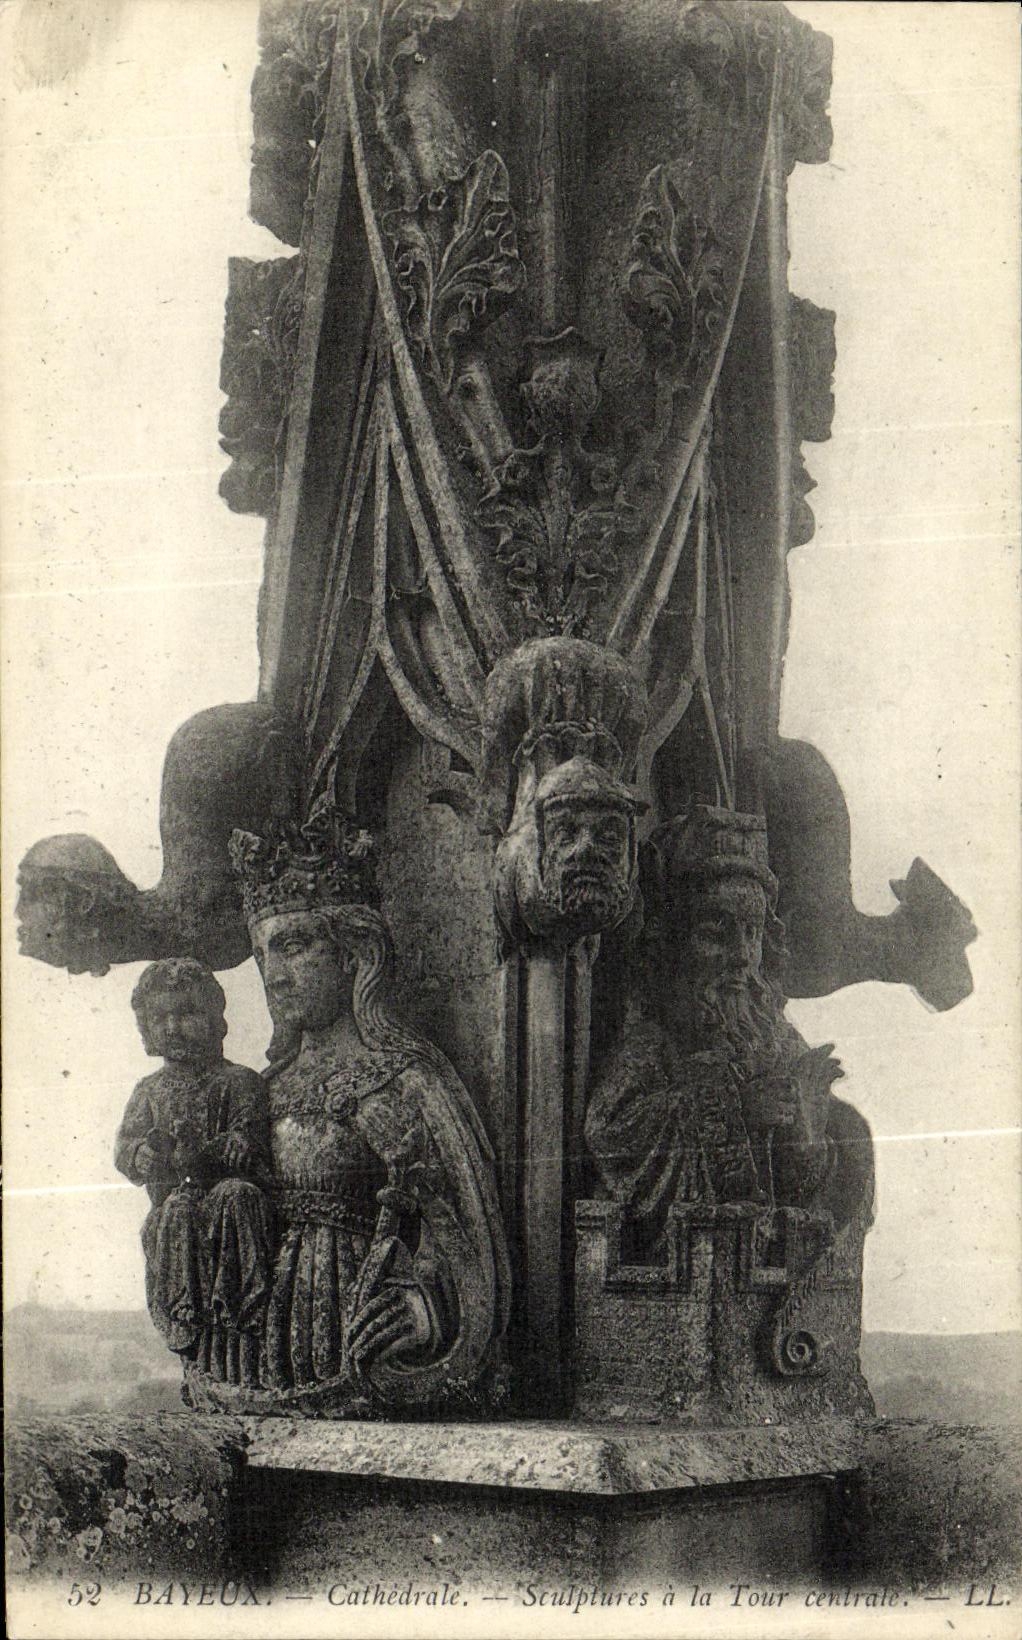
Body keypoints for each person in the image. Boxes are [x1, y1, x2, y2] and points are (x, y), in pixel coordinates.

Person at [229, 806, 511, 1412]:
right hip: (264, 1352)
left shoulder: (406, 1079)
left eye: (294, 946)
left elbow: (463, 1231)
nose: (274, 975)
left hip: (365, 1344)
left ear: (354, 954)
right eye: (262, 955)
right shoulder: (262, 1088)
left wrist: (423, 1308)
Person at [585, 806, 874, 1254]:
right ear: (674, 943)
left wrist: (807, 1139)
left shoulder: (778, 1043)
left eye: (752, 933)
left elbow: (810, 1190)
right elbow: (611, 1135)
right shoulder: (655, 1043)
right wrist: (739, 1112)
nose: (741, 955)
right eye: (715, 933)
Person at [114, 958, 273, 1385]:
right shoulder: (149, 1091)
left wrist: (238, 1145)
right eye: (160, 1018)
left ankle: (242, 1311)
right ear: (146, 1027)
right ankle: (187, 1316)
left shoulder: (239, 1082)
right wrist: (142, 1153)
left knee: (237, 1195)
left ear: (214, 1018)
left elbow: (253, 1139)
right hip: (177, 1206)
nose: (173, 1027)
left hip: (227, 1197)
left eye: (186, 1014)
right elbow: (126, 1148)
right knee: (178, 1208)